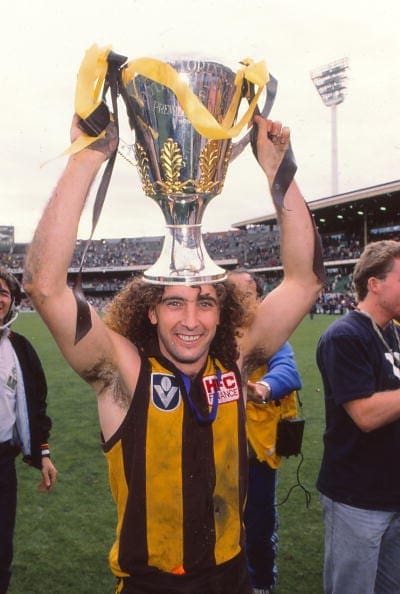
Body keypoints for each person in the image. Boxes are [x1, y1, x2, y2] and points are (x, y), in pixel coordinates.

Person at [23, 112, 322, 594]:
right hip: (152, 585)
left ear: (222, 313)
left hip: (233, 577)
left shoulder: (236, 360)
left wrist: (278, 170)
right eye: (174, 303)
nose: (191, 320)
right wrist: (85, 159)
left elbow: (304, 281)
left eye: (206, 302)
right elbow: (44, 286)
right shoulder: (123, 373)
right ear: (150, 312)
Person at [316, 240, 400, 594]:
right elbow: (364, 414)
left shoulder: (394, 332)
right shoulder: (344, 335)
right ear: (374, 284)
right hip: (357, 497)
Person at [228, 269, 302, 594]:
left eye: (249, 291)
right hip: (214, 445)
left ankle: (260, 581)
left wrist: (264, 387)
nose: (243, 299)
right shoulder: (207, 331)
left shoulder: (269, 333)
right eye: (234, 293)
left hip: (257, 447)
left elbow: (288, 369)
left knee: (258, 522)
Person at [0, 268, 57, 594]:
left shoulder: (19, 348)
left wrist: (43, 453)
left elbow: (36, 405)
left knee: (1, 545)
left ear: (12, 300)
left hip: (2, 463)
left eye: (4, 292)